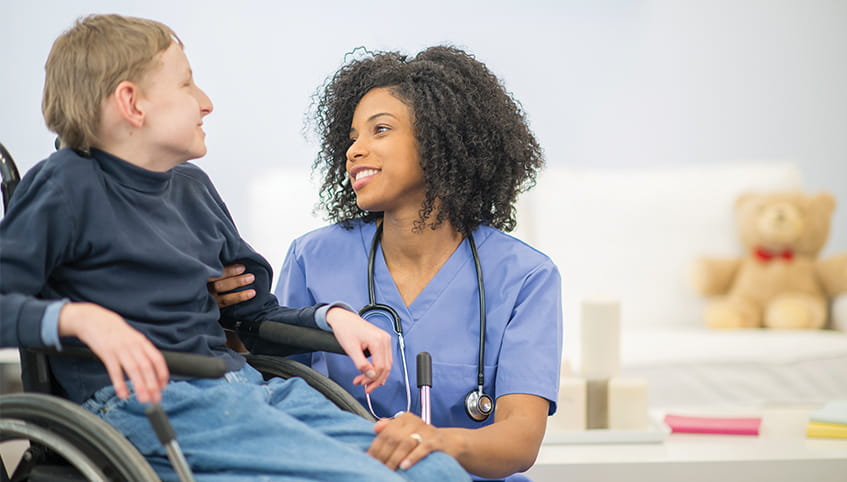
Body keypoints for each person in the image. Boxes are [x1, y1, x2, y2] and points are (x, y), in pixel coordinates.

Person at [0, 15, 469, 481]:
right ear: (132, 103)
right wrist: (73, 317)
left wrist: (333, 318)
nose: (206, 103)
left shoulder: (192, 188)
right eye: (186, 85)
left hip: (244, 390)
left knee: (436, 470)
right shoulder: (65, 184)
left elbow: (252, 317)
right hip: (155, 405)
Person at [213, 46, 563, 481]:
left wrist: (437, 441)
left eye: (380, 130)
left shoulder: (525, 276)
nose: (355, 150)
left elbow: (520, 440)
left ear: (441, 139)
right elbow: (274, 386)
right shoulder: (313, 257)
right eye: (352, 137)